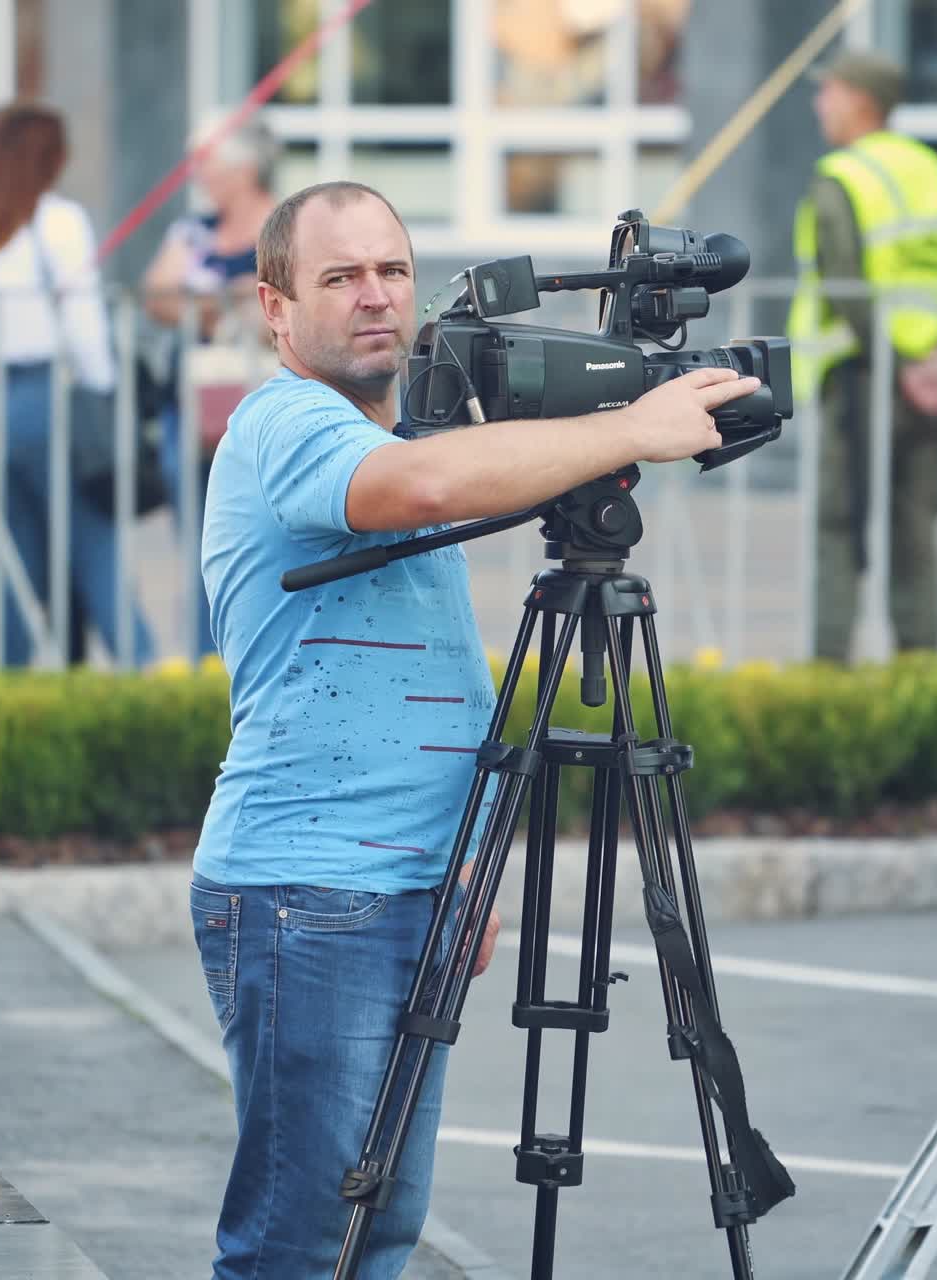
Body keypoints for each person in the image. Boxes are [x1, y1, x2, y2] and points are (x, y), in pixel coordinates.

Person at [190, 179, 760, 1278]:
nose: (374, 297)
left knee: (373, 1235)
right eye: (339, 276)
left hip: (401, 884)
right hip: (308, 893)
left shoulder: (386, 431)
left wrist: (466, 867)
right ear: (274, 307)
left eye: (391, 271)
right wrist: (626, 429)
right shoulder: (287, 424)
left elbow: (438, 672)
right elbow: (418, 486)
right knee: (300, 1245)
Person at [0, 103, 154, 668]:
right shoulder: (58, 222)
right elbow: (84, 324)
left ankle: (11, 682)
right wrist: (103, 392)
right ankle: (142, 670)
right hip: (48, 399)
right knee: (92, 543)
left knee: (13, 558)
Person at [788, 50, 937, 663]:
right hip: (932, 374)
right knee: (916, 528)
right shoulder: (932, 170)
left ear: (861, 102)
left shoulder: (845, 175)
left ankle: (829, 672)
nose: (820, 105)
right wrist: (933, 360)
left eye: (829, 93)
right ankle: (919, 670)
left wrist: (897, 364)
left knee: (840, 524)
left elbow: (845, 286)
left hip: (862, 374)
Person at [142, 116, 279, 660]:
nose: (197, 172)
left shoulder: (284, 226)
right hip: (192, 407)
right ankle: (207, 661)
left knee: (264, 540)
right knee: (203, 543)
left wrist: (206, 302)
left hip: (264, 407)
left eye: (207, 160)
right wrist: (229, 304)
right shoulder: (192, 231)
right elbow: (157, 296)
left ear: (244, 167)